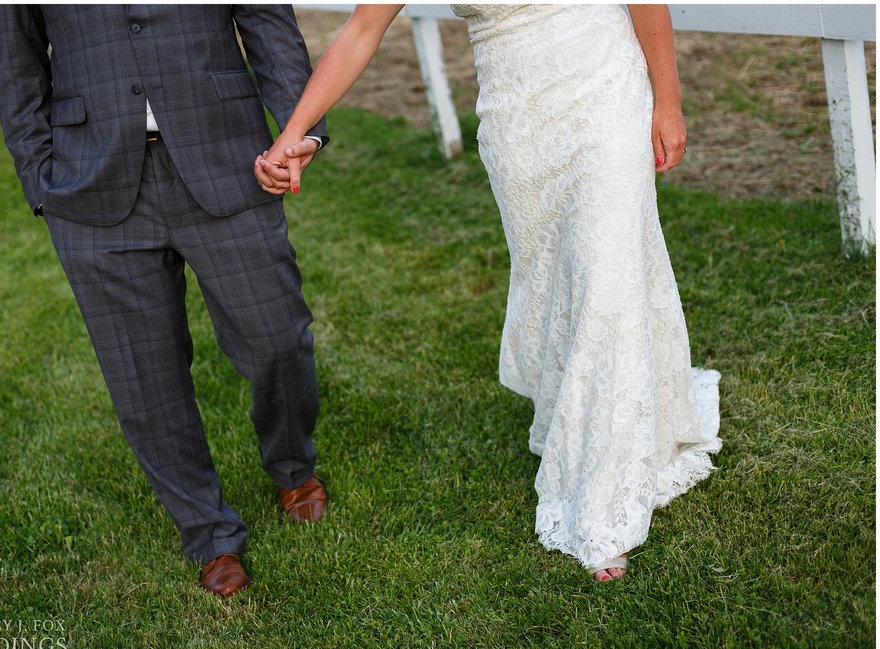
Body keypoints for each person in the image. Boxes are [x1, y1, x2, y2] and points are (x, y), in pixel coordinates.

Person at [256, 4, 721, 582]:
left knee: (607, 269)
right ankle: (581, 420)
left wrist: (667, 100)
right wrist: (295, 132)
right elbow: (360, 32)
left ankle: (603, 500)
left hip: (602, 81)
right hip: (517, 117)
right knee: (555, 279)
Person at [0, 5, 331, 598]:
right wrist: (39, 180)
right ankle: (209, 532)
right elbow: (15, 65)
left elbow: (268, 24)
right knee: (143, 379)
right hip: (89, 181)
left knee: (277, 336)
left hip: (227, 156)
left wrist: (302, 130)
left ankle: (293, 467)